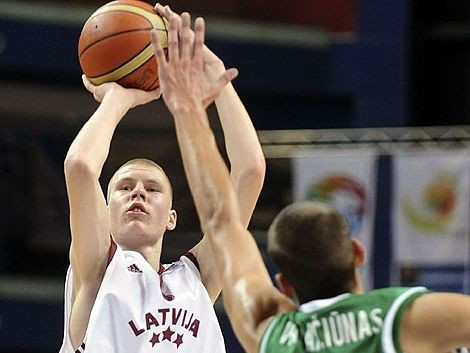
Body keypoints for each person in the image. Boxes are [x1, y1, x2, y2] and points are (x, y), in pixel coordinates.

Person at [151, 10, 470, 353]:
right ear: (357, 252)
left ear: (284, 284)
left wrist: (186, 110)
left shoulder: (268, 332)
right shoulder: (402, 317)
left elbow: (221, 222)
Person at [58, 5, 265, 352]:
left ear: (172, 217)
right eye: (124, 187)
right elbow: (80, 166)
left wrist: (216, 75)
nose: (138, 192)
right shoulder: (96, 270)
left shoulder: (198, 278)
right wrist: (118, 99)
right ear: (105, 211)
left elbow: (251, 171)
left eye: (152, 189)